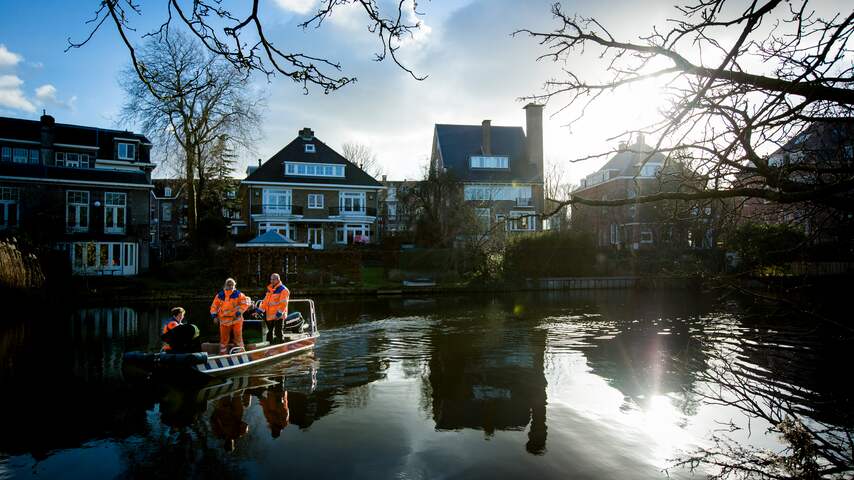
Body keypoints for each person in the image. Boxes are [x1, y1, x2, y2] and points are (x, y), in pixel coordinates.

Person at [210, 278, 249, 354]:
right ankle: (223, 354)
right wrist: (214, 316)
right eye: (229, 284)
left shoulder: (239, 294)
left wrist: (239, 312)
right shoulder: (220, 295)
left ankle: (241, 353)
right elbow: (214, 307)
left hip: (236, 320)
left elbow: (245, 304)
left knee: (238, 338)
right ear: (225, 285)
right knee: (224, 339)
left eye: (232, 285)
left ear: (234, 285)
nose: (230, 286)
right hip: (224, 321)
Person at [259, 273, 290, 344]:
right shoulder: (270, 289)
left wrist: (279, 313)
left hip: (278, 315)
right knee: (269, 332)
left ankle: (281, 347)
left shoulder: (283, 290)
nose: (271, 281)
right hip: (269, 315)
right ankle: (269, 347)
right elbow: (265, 301)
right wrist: (259, 310)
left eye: (273, 279)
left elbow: (283, 303)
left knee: (278, 332)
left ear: (278, 279)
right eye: (271, 279)